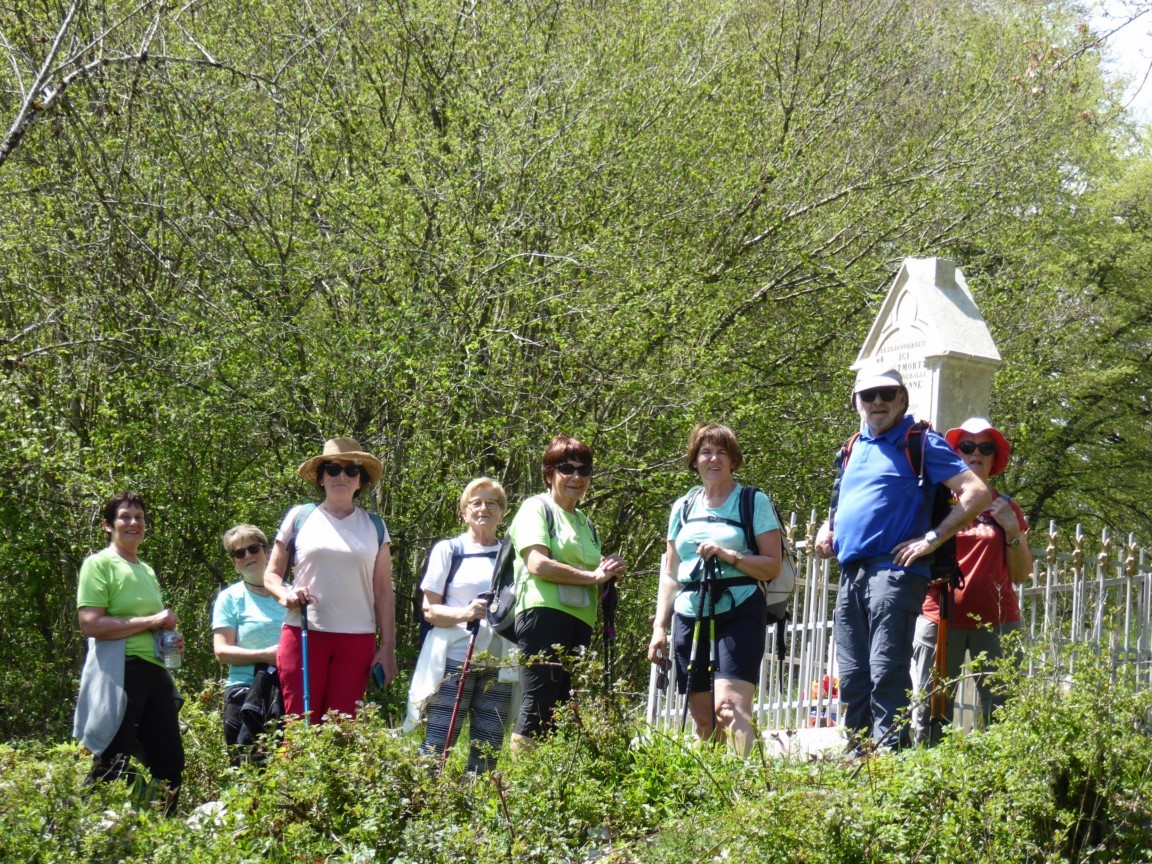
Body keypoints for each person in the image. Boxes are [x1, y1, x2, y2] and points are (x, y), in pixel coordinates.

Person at [813, 368, 991, 750]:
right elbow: (842, 502)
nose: (878, 402)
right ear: (856, 402)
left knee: (886, 668)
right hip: (851, 573)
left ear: (902, 400)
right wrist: (826, 530)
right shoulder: (852, 447)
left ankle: (890, 758)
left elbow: (976, 492)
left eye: (887, 394)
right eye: (869, 395)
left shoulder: (920, 441)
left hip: (894, 573)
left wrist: (932, 538)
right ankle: (860, 755)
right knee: (854, 672)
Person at [647, 423, 782, 755]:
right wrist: (658, 628)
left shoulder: (753, 502)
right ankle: (708, 794)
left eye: (722, 452)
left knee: (729, 709)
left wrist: (729, 555)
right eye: (706, 452)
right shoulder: (683, 507)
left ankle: (745, 786)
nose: (713, 459)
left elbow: (772, 564)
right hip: (690, 613)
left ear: (733, 460)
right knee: (704, 719)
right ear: (695, 460)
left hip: (739, 609)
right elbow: (671, 571)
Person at [911, 418, 1033, 741]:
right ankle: (930, 784)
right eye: (967, 446)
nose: (975, 453)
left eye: (985, 447)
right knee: (930, 710)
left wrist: (1012, 531)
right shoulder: (937, 502)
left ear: (994, 459)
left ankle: (998, 788)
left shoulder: (1008, 507)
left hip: (998, 622)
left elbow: (1021, 574)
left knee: (1003, 714)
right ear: (956, 454)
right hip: (940, 618)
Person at [264, 438, 397, 722]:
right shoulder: (300, 517)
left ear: (360, 481)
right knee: (300, 726)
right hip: (304, 633)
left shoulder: (375, 525)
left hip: (358, 639)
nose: (342, 476)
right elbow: (272, 574)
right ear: (321, 476)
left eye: (351, 471)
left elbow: (384, 591)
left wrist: (387, 648)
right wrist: (284, 594)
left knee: (342, 731)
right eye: (333, 468)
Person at [506, 435, 627, 745]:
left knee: (559, 710)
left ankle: (547, 785)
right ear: (549, 473)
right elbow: (538, 565)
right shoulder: (536, 508)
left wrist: (608, 569)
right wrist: (593, 577)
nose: (576, 477)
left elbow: (592, 572)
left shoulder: (587, 524)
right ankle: (522, 786)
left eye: (584, 470)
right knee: (537, 704)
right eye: (566, 468)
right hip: (542, 614)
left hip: (580, 620)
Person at [73, 491, 184, 813]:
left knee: (169, 761)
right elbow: (90, 624)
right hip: (120, 670)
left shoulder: (146, 570)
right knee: (112, 758)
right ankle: (86, 835)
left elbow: (149, 626)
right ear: (108, 525)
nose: (133, 523)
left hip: (154, 670)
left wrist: (170, 639)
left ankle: (163, 838)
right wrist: (153, 619)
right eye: (125, 517)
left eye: (139, 517)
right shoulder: (98, 564)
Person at [406, 478, 516, 773]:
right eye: (475, 503)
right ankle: (424, 804)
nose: (483, 509)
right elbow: (429, 610)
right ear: (464, 512)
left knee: (488, 748)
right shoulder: (449, 550)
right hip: (454, 657)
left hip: (499, 660)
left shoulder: (513, 555)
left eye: (492, 503)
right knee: (438, 742)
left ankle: (474, 808)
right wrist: (466, 613)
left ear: (503, 511)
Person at [211, 524, 285, 764]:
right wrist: (265, 655)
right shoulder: (230, 598)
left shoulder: (290, 594)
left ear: (267, 551)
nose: (248, 556)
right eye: (239, 553)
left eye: (253, 548)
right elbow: (222, 651)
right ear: (234, 562)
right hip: (243, 693)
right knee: (245, 770)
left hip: (288, 693)